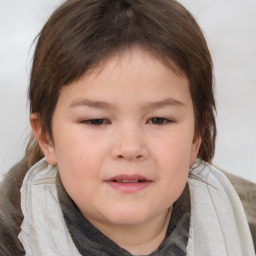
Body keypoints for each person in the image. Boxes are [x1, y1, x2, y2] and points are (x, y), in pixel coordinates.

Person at [0, 0, 255, 255]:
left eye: (159, 120)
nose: (130, 148)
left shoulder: (244, 225)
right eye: (96, 121)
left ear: (196, 136)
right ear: (46, 137)